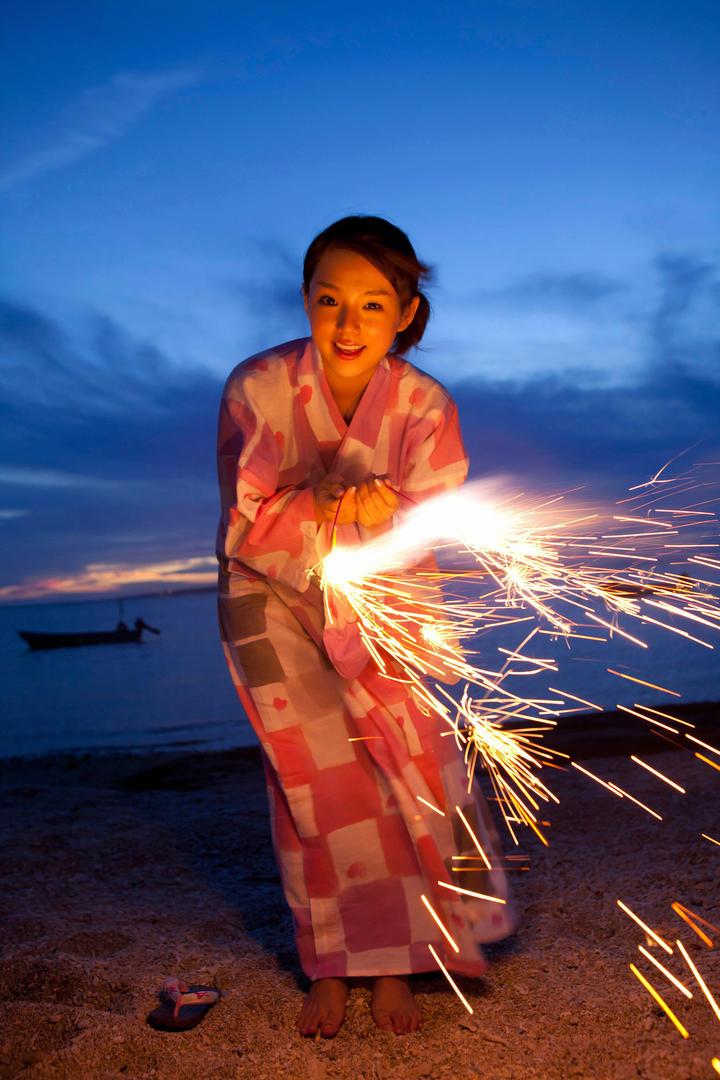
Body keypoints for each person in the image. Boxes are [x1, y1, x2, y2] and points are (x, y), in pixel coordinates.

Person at [216, 216, 515, 1038]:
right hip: (270, 599)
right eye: (329, 301)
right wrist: (318, 503)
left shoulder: (425, 406)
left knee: (403, 772)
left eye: (373, 306)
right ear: (306, 301)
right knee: (318, 787)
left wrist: (390, 516)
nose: (349, 326)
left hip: (388, 600)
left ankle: (404, 961)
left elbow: (435, 515)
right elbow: (245, 519)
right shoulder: (258, 389)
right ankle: (334, 961)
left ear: (406, 314)